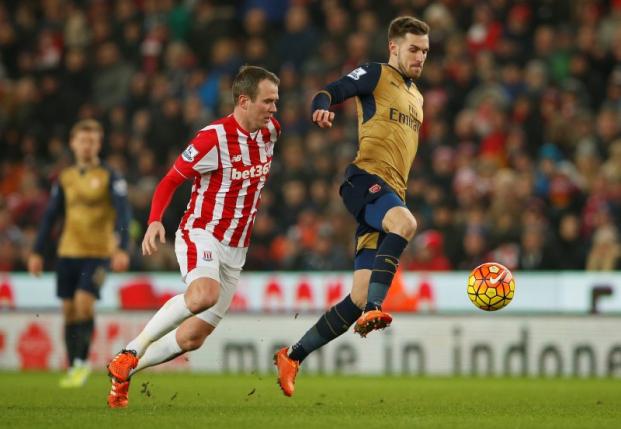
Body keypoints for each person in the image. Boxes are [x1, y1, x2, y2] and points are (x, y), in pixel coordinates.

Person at [106, 65, 280, 409]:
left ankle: (123, 371)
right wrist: (155, 220)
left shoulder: (271, 131)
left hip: (236, 250)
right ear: (243, 101)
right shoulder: (211, 138)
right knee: (203, 294)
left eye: (276, 101)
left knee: (191, 338)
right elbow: (169, 180)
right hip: (202, 234)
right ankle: (131, 350)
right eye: (268, 101)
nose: (274, 109)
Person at [274, 16, 429, 396]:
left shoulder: (419, 98)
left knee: (357, 297)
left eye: (425, 51)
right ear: (393, 46)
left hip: (388, 194)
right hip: (363, 180)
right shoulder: (377, 74)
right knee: (405, 224)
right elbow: (332, 90)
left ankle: (292, 355)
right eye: (413, 48)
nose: (420, 57)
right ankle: (378, 306)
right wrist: (321, 105)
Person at [27, 119, 131, 388]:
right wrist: (37, 251)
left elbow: (123, 213)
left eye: (93, 141)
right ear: (73, 144)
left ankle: (82, 364)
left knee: (84, 302)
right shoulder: (65, 177)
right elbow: (51, 216)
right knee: (70, 310)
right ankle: (74, 364)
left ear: (99, 144)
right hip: (68, 252)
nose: (87, 146)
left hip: (97, 253)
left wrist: (122, 247)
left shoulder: (111, 176)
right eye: (83, 141)